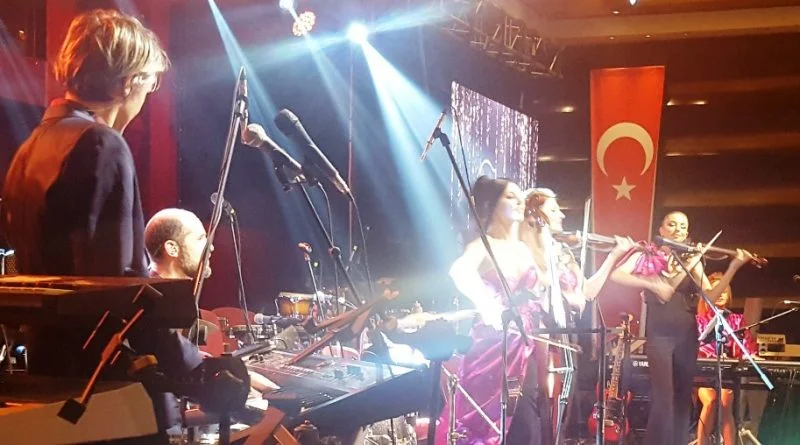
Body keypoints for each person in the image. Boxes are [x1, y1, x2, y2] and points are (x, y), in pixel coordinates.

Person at [0, 10, 205, 439]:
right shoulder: (100, 143)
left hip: (51, 372)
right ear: (128, 82)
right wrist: (197, 367)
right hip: (107, 389)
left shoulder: (31, 148)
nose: (147, 97)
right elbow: (121, 296)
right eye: (150, 83)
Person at [610, 211, 753, 445]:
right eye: (672, 224)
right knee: (663, 399)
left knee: (682, 398)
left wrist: (733, 267)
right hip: (659, 336)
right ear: (661, 230)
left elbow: (710, 297)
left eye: (683, 226)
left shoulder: (691, 260)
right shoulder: (647, 255)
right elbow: (617, 275)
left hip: (686, 334)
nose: (678, 229)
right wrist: (651, 284)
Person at [518, 188, 635, 444]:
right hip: (541, 330)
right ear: (535, 216)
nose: (561, 215)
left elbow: (587, 292)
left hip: (566, 332)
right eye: (553, 210)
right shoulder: (525, 250)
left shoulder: (563, 252)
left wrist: (614, 255)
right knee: (542, 401)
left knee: (564, 404)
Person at [438, 176, 546, 445]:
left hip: (526, 342)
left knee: (525, 420)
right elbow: (459, 271)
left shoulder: (523, 248)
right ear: (493, 205)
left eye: (520, 197)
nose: (520, 202)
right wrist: (489, 306)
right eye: (510, 197)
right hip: (494, 346)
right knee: (487, 420)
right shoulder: (482, 245)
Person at [695, 273, 757, 445]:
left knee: (724, 402)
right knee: (711, 400)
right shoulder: (699, 320)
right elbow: (696, 345)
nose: (721, 293)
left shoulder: (737, 320)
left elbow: (745, 345)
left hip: (726, 372)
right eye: (717, 289)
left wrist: (748, 354)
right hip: (703, 373)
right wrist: (711, 354)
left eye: (725, 290)